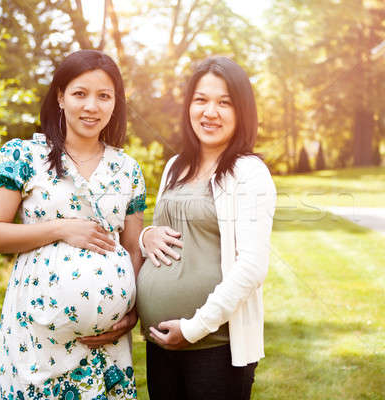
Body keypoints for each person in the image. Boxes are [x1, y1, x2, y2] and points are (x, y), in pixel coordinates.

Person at [0, 50, 145, 400]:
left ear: (116, 103)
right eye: (80, 93)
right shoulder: (23, 157)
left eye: (104, 96)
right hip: (36, 337)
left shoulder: (127, 169)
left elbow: (131, 247)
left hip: (108, 346)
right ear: (60, 97)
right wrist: (61, 228)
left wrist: (133, 311)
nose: (92, 107)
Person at [136, 56, 276, 400]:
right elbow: (164, 240)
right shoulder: (175, 166)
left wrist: (194, 328)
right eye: (201, 100)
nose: (209, 112)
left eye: (224, 102)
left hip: (214, 348)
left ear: (242, 111)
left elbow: (252, 266)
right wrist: (144, 237)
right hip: (163, 344)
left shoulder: (248, 172)